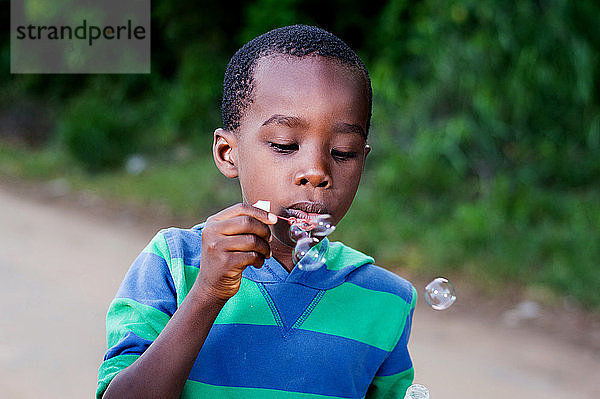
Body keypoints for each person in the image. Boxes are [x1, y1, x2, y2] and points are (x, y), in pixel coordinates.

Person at [97, 24, 417, 398]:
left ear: (362, 160)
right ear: (227, 153)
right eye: (284, 145)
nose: (316, 171)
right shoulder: (175, 263)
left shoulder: (387, 300)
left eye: (343, 152)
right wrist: (206, 294)